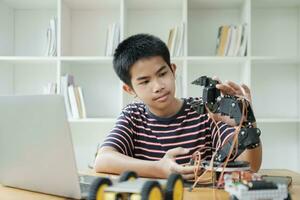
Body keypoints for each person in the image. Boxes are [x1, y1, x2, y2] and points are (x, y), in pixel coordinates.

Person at [94, 34, 262, 180]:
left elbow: (250, 166)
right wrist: (159, 169)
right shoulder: (132, 116)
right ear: (130, 89)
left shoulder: (206, 111)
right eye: (145, 81)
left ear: (173, 70)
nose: (158, 86)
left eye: (162, 74)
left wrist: (247, 121)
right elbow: (102, 160)